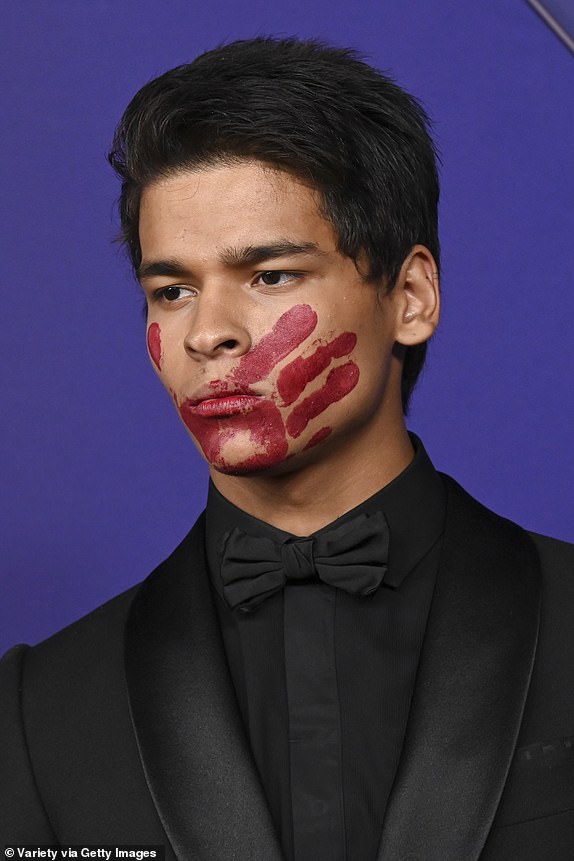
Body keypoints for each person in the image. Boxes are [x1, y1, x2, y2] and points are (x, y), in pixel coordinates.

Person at [1, 36, 573, 861]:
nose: (209, 333)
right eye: (173, 291)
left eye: (271, 275)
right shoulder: (35, 712)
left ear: (410, 297)